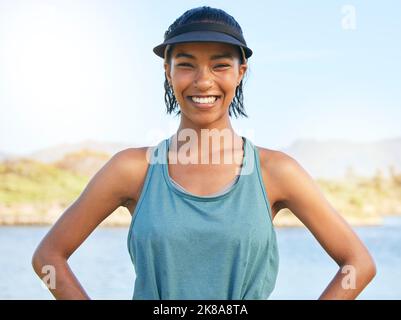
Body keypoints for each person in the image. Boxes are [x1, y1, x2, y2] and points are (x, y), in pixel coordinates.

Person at [32, 6, 376, 300]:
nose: (203, 80)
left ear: (241, 73)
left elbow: (358, 264)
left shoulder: (275, 171)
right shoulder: (132, 169)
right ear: (167, 72)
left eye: (220, 65)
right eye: (186, 64)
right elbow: (48, 258)